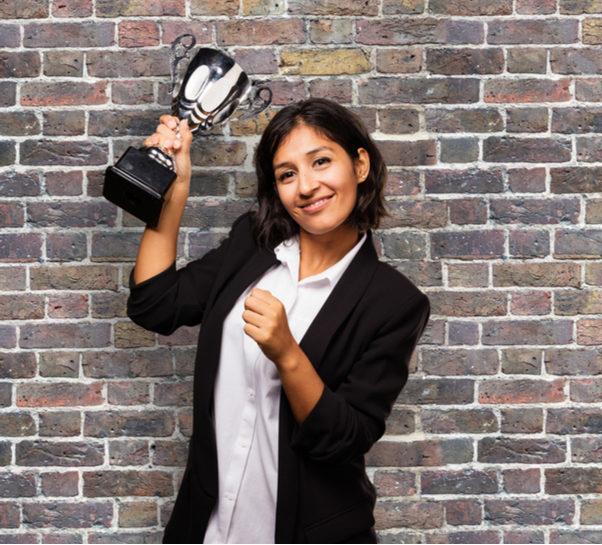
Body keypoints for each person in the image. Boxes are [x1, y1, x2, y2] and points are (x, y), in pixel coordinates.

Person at [127, 98, 431, 544]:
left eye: (321, 162)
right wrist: (175, 192)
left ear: (360, 164)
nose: (306, 186)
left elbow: (344, 439)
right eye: (287, 174)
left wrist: (287, 353)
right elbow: (155, 304)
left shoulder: (394, 302)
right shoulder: (253, 243)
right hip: (207, 526)